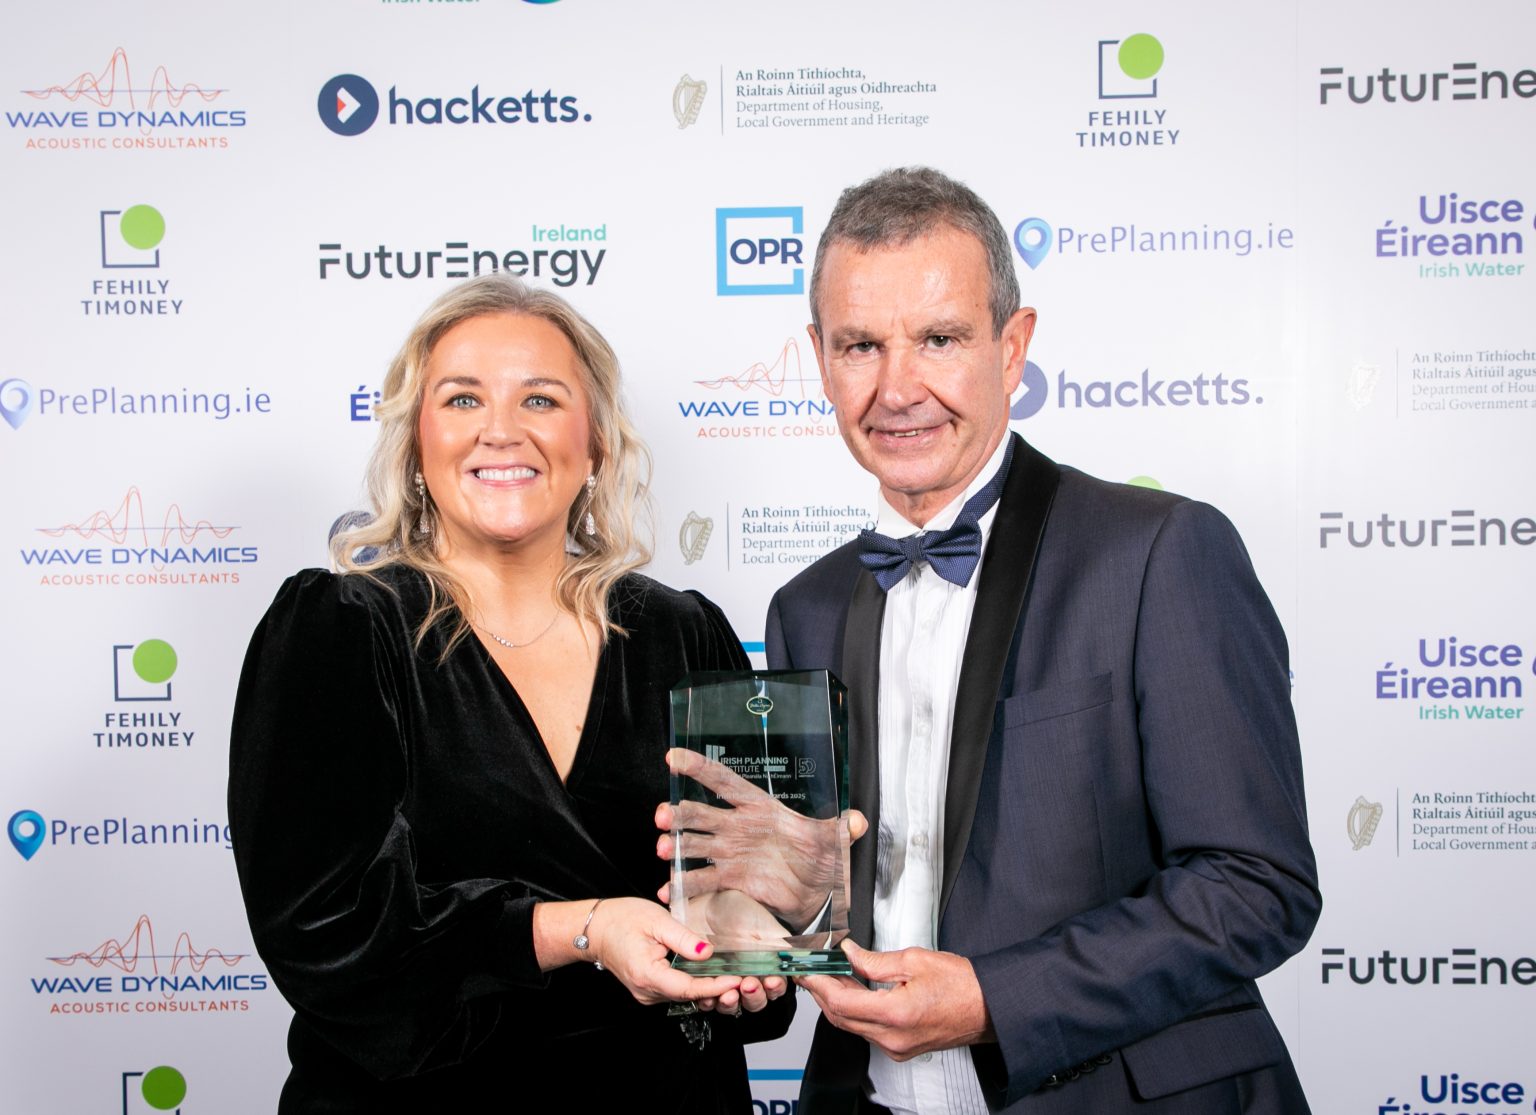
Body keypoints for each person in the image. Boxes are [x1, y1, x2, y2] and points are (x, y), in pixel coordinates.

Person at [762, 168, 1321, 1113]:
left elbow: (1257, 884)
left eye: (939, 339)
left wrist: (995, 1000)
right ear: (820, 358)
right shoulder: (804, 606)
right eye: (861, 345)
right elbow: (807, 902)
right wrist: (740, 912)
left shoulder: (1160, 552)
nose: (898, 388)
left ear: (1013, 348)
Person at [228, 274, 790, 1113]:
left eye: (540, 399)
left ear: (594, 443)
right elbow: (322, 929)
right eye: (462, 399)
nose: (501, 429)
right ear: (415, 444)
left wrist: (757, 945)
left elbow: (743, 893)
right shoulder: (339, 629)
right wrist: (584, 929)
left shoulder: (685, 634)